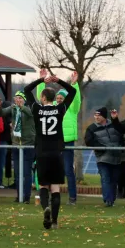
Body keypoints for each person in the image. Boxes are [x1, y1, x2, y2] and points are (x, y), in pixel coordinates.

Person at [22, 70, 76, 229]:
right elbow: (72, 92)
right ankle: (55, 221)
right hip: (56, 152)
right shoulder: (60, 109)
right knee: (55, 187)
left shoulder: (37, 110)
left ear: (43, 98)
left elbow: (26, 91)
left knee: (44, 185)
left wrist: (40, 80)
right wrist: (59, 81)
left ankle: (46, 208)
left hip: (41, 152)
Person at [36, 71, 81, 204]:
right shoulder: (54, 108)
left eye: (62, 98)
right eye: (58, 98)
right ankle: (50, 197)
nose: (60, 99)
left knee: (68, 171)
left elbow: (76, 97)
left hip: (67, 142)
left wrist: (74, 84)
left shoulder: (71, 108)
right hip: (54, 143)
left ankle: (72, 197)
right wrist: (41, 82)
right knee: (51, 171)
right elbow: (41, 98)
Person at [0, 91, 36, 203]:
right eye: (16, 98)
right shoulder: (13, 108)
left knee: (27, 172)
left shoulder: (28, 108)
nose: (17, 100)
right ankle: (19, 196)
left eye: (20, 98)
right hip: (16, 144)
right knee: (18, 173)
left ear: (24, 100)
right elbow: (1, 113)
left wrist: (21, 106)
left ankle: (27, 197)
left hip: (27, 144)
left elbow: (30, 113)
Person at [85, 108, 123, 206]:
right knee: (105, 178)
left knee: (114, 180)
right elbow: (89, 141)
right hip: (102, 157)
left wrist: (120, 148)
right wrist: (102, 148)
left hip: (116, 157)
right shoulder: (91, 128)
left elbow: (121, 136)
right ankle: (107, 200)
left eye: (99, 115)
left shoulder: (114, 125)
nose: (96, 117)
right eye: (95, 115)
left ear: (104, 116)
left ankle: (112, 200)